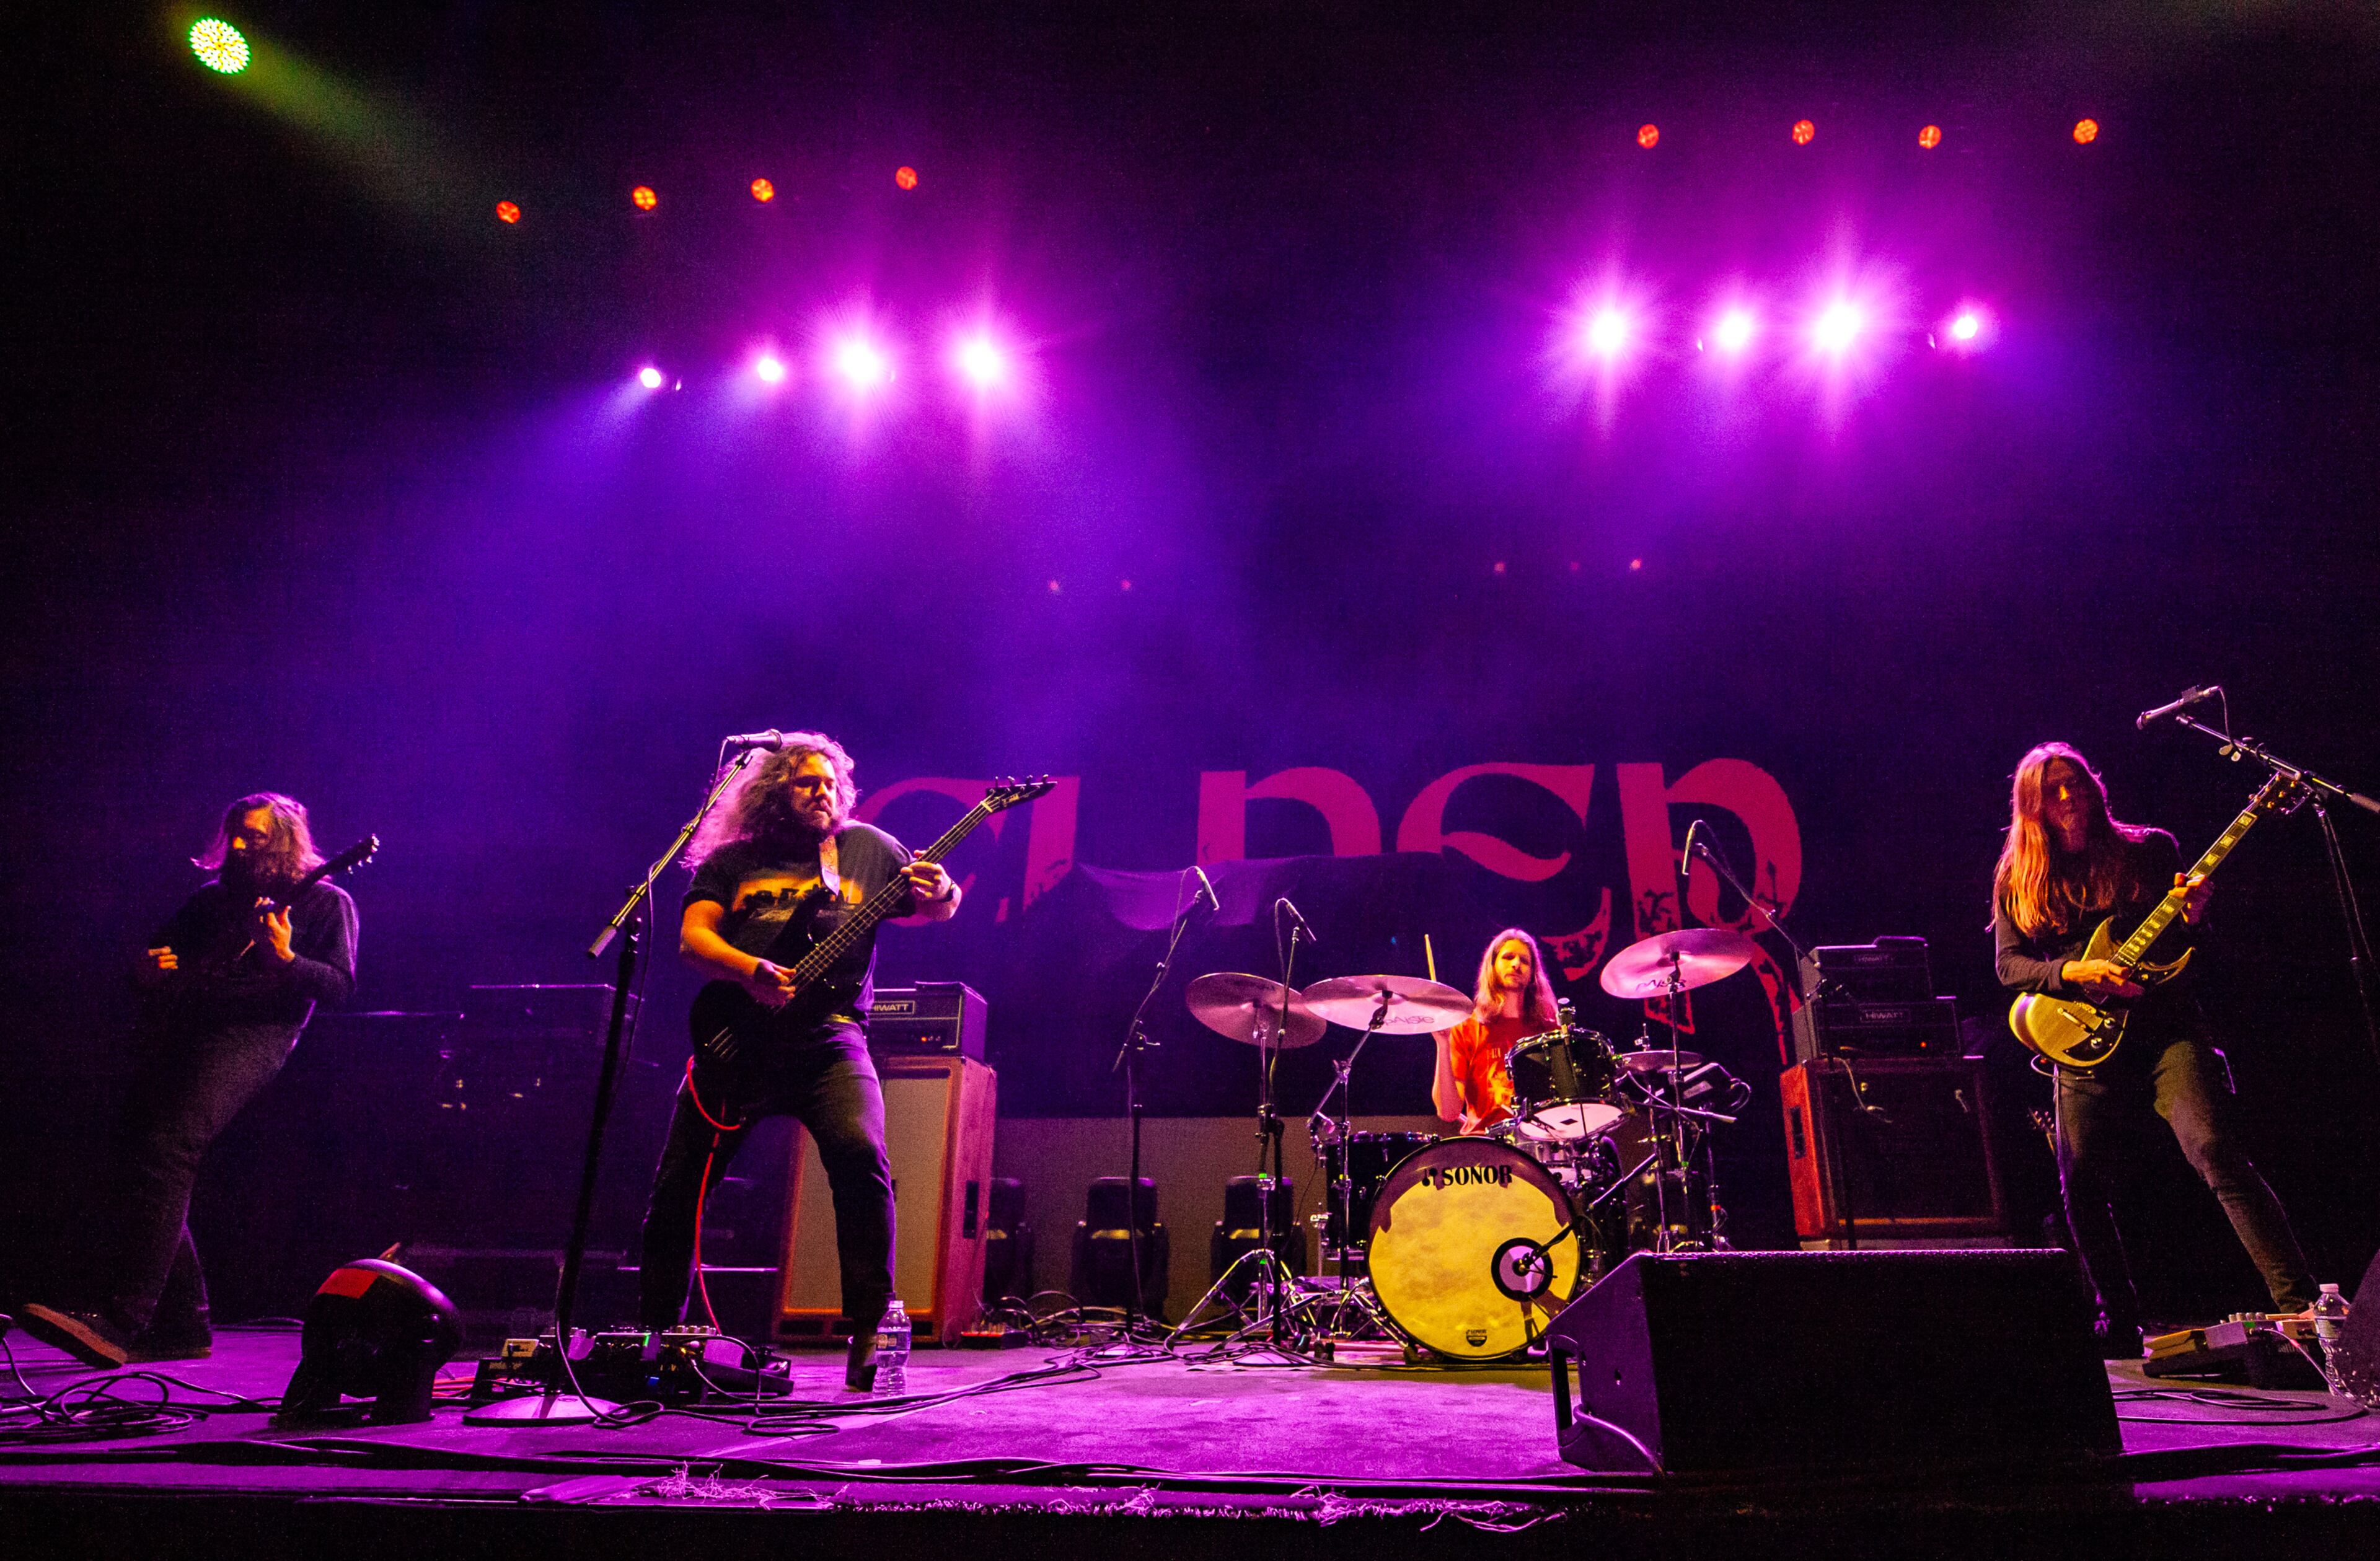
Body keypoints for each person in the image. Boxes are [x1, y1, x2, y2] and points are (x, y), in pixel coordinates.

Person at [635, 732, 959, 1390]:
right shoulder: (733, 860)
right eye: (806, 782)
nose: (824, 792)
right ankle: (655, 1332)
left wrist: (943, 886)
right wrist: (750, 969)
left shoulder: (866, 848)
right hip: (737, 1039)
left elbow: (938, 904)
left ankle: (869, 1327)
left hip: (830, 1039)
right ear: (771, 791)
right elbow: (693, 937)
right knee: (679, 1185)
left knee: (862, 1158)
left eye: (831, 782)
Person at [1991, 741, 2316, 1355]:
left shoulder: (2148, 849)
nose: (2069, 797)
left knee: (2215, 1148)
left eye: (2077, 783)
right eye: (2053, 790)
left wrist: (2192, 918)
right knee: (2081, 1181)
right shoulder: (2019, 874)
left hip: (2167, 1030)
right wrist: (2075, 973)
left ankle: (2302, 1306)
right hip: (2082, 1039)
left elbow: (2193, 948)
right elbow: (2010, 967)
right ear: (2031, 805)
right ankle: (2118, 1318)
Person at [22, 794, 359, 1368]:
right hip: (185, 1030)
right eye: (232, 834)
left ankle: (124, 1316)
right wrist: (146, 971)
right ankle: (184, 1325)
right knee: (140, 1154)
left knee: (168, 1148)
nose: (236, 845)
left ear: (283, 840)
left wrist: (286, 960)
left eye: (252, 836)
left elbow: (338, 987)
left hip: (254, 1034)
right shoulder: (212, 900)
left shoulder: (327, 900)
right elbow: (158, 961)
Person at [1431, 928, 1561, 1135]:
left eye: (1524, 961)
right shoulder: (1466, 1027)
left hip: (1541, 1143)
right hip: (1486, 1149)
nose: (1516, 964)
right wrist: (1442, 1043)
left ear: (1532, 975)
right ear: (1492, 967)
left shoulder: (1549, 1031)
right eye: (1508, 957)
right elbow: (1448, 1113)